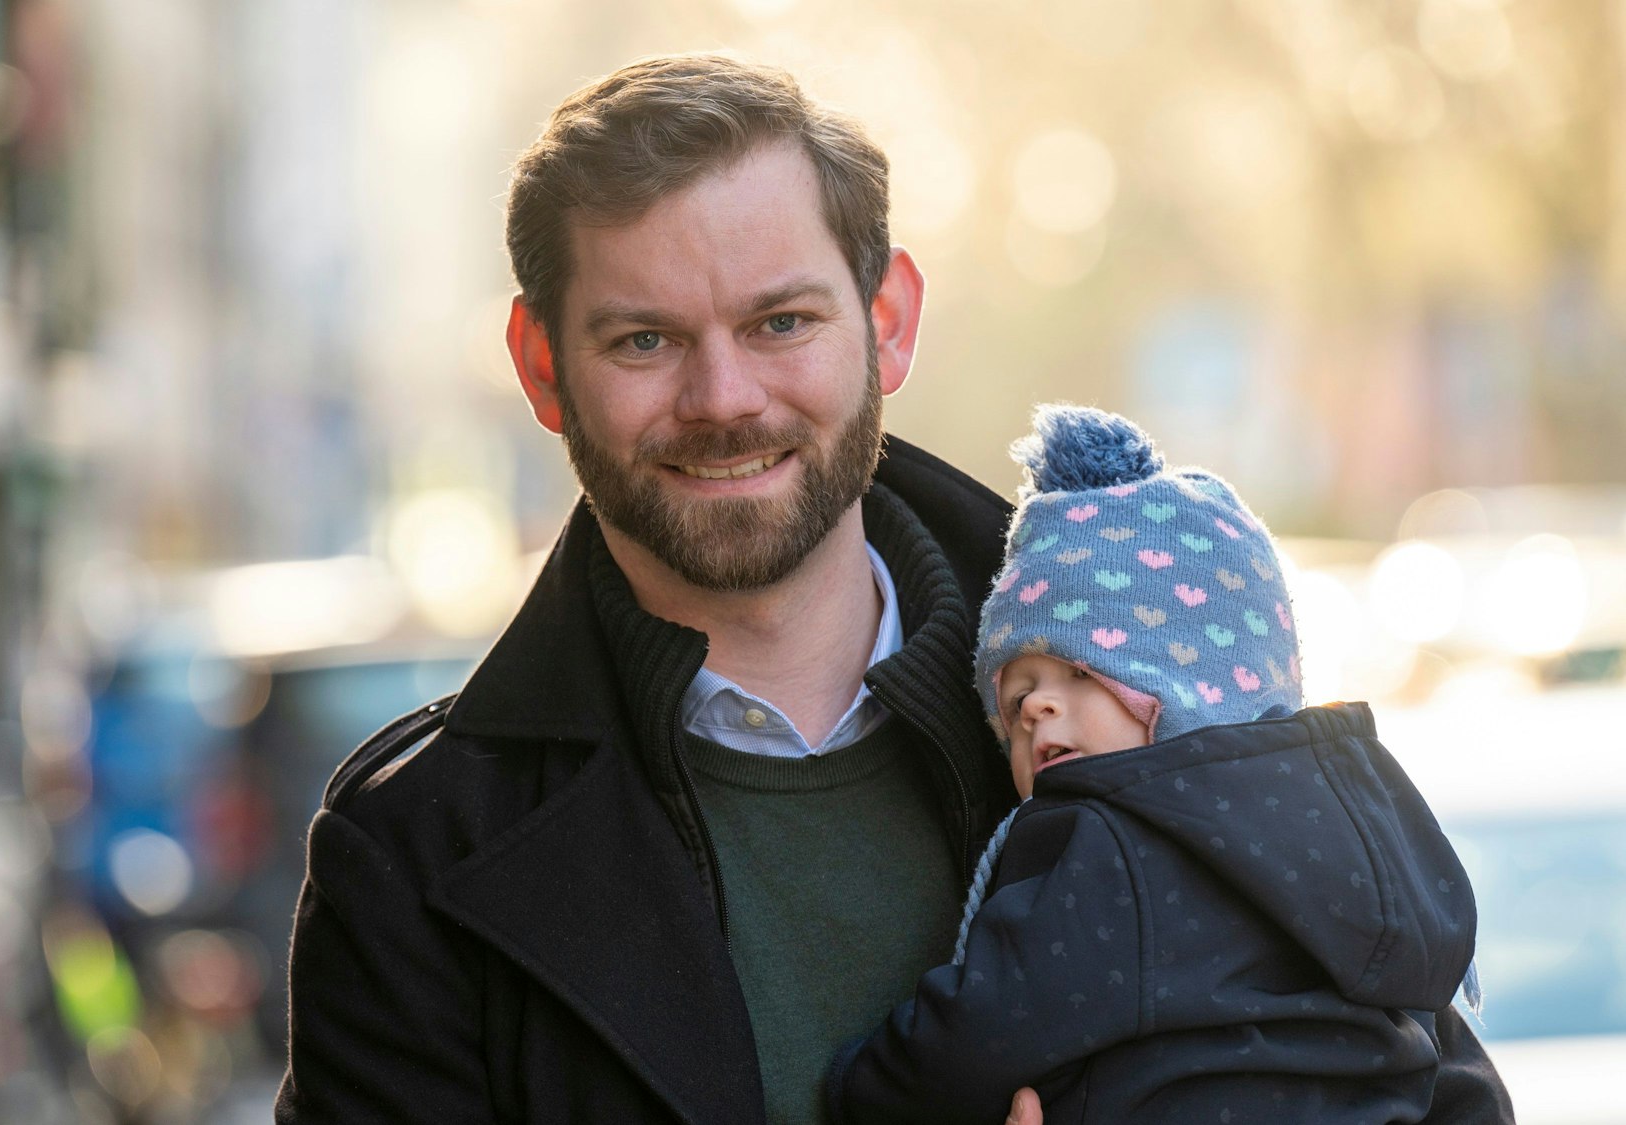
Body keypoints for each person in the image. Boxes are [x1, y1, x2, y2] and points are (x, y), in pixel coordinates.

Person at [274, 54, 1512, 1125]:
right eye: (643, 340)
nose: (723, 400)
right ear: (543, 368)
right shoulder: (413, 867)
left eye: (779, 324)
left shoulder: (1171, 717)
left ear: (890, 322)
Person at [826, 405, 1496, 1123]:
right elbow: (1462, 1081)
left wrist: (861, 1086)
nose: (1035, 709)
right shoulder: (1364, 835)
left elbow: (977, 1035)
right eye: (1017, 692)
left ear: (1195, 684)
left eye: (1081, 673)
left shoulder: (1111, 850)